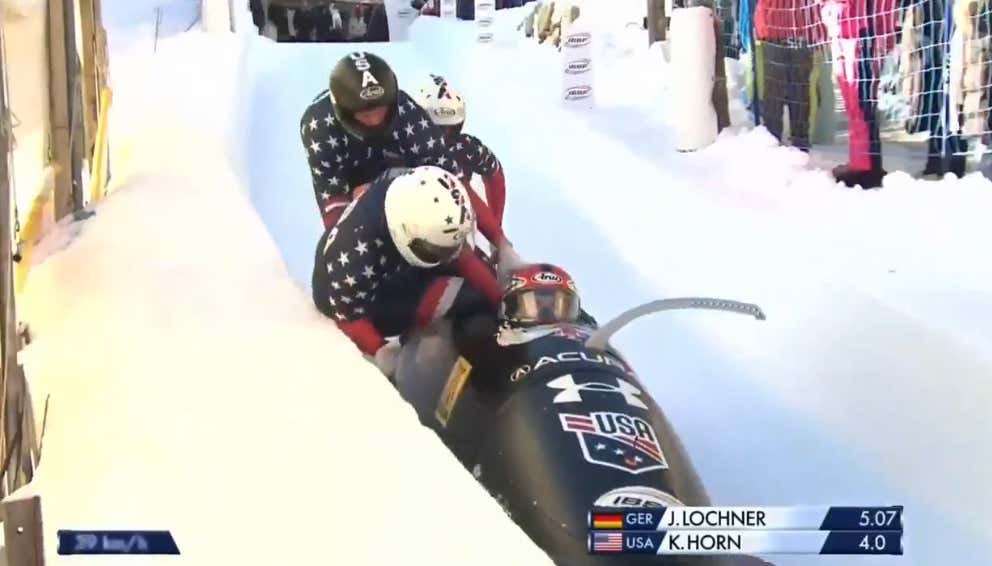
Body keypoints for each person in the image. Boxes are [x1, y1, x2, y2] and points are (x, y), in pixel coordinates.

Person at [312, 166, 517, 376]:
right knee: (469, 298)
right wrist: (381, 349)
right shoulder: (352, 262)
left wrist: (502, 299)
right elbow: (349, 318)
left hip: (380, 262)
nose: (447, 257)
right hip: (351, 297)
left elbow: (460, 257)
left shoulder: (408, 188)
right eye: (436, 250)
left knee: (481, 287)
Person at [300, 51, 466, 231]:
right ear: (344, 113)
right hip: (354, 183)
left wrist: (497, 237)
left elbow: (452, 180)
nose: (375, 120)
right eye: (366, 114)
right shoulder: (319, 128)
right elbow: (333, 210)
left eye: (381, 110)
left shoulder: (406, 111)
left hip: (405, 176)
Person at [413, 75, 507, 225]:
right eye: (437, 128)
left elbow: (494, 172)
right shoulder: (404, 145)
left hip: (457, 219)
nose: (444, 135)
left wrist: (495, 223)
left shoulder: (467, 147)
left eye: (451, 128)